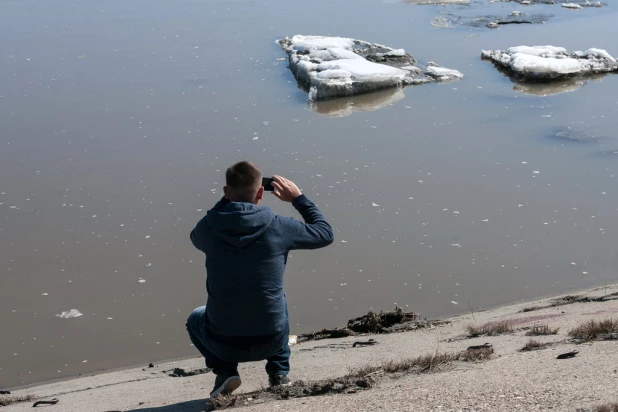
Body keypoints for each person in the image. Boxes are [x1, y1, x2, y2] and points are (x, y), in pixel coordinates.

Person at [186, 161, 334, 399]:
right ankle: (279, 373)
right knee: (276, 299)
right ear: (260, 192)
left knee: (196, 317)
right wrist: (299, 199)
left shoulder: (208, 229)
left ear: (225, 192)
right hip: (271, 339)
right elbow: (325, 234)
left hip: (223, 343)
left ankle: (225, 372)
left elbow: (194, 236)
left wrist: (227, 201)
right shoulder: (279, 227)